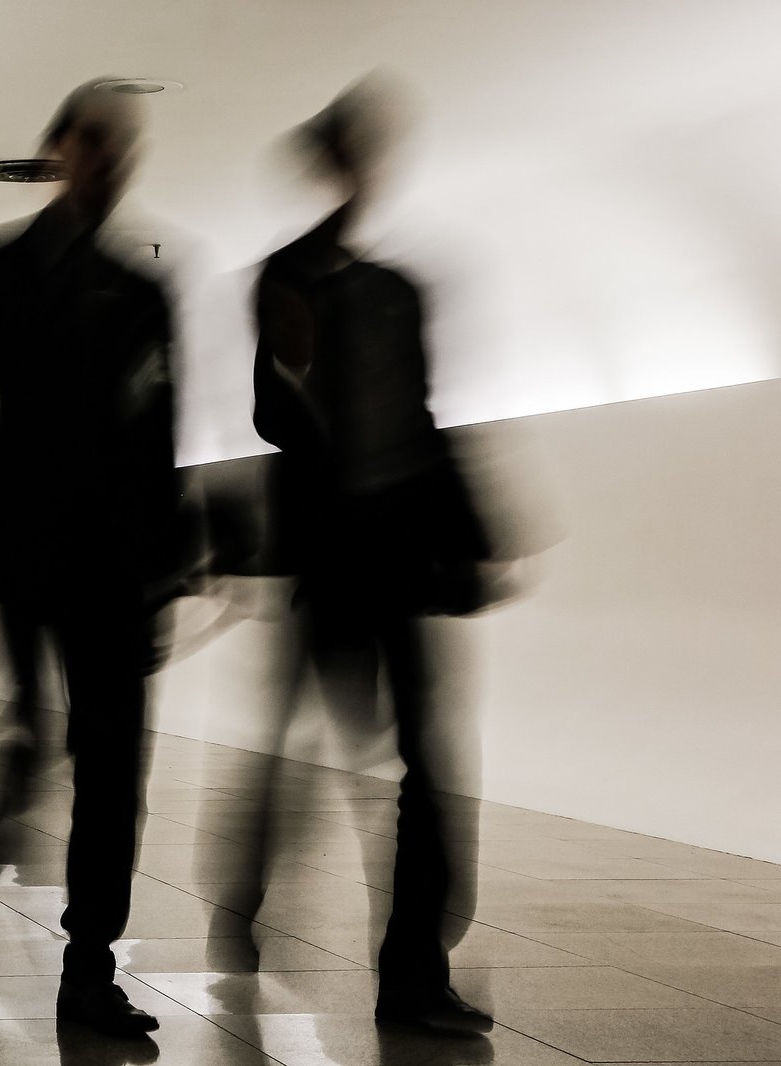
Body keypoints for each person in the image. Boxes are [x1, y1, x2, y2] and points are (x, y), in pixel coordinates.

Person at [0, 80, 184, 1038]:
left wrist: (166, 567)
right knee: (39, 736)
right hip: (28, 549)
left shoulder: (146, 292)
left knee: (112, 771)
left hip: (116, 566)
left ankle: (88, 971)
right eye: (93, 142)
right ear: (59, 149)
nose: (109, 161)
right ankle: (4, 805)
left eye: (122, 147)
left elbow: (160, 437)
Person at [245, 78, 495, 1038]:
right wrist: (294, 365)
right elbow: (272, 417)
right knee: (328, 750)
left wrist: (464, 536)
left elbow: (425, 417)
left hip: (399, 555)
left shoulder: (399, 290)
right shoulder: (287, 277)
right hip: (331, 554)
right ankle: (250, 880)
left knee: (419, 762)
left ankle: (414, 969)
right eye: (348, 151)